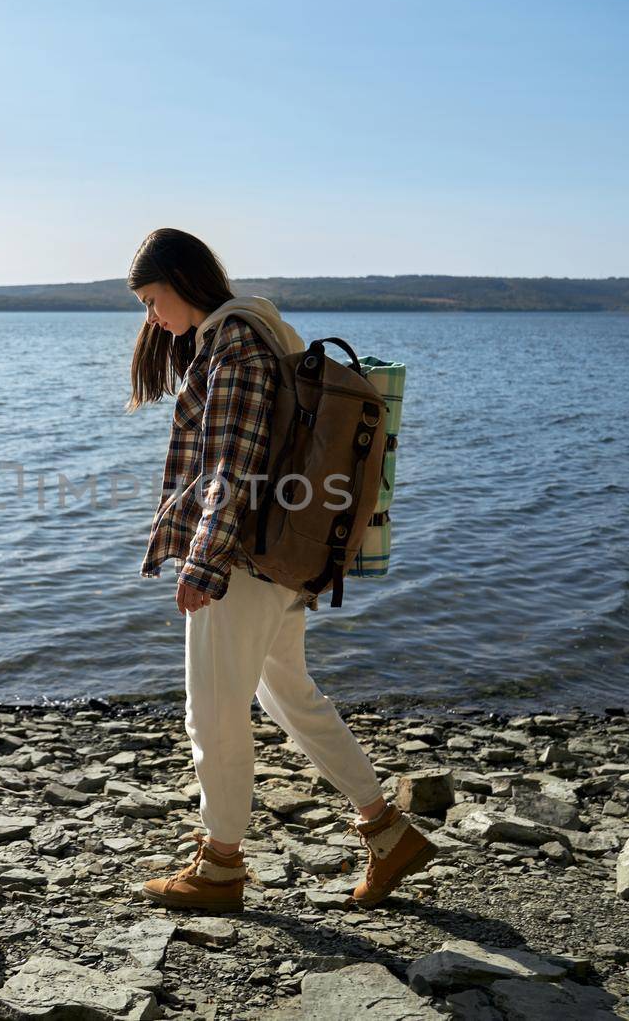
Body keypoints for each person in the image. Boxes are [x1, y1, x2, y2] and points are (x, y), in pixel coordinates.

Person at [124, 227, 436, 913]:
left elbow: (232, 468)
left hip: (242, 558)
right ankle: (386, 831)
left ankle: (220, 865)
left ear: (182, 280)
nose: (152, 317)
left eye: (152, 300)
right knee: (287, 694)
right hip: (282, 556)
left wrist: (202, 563)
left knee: (212, 712)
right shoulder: (262, 332)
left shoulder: (233, 344)